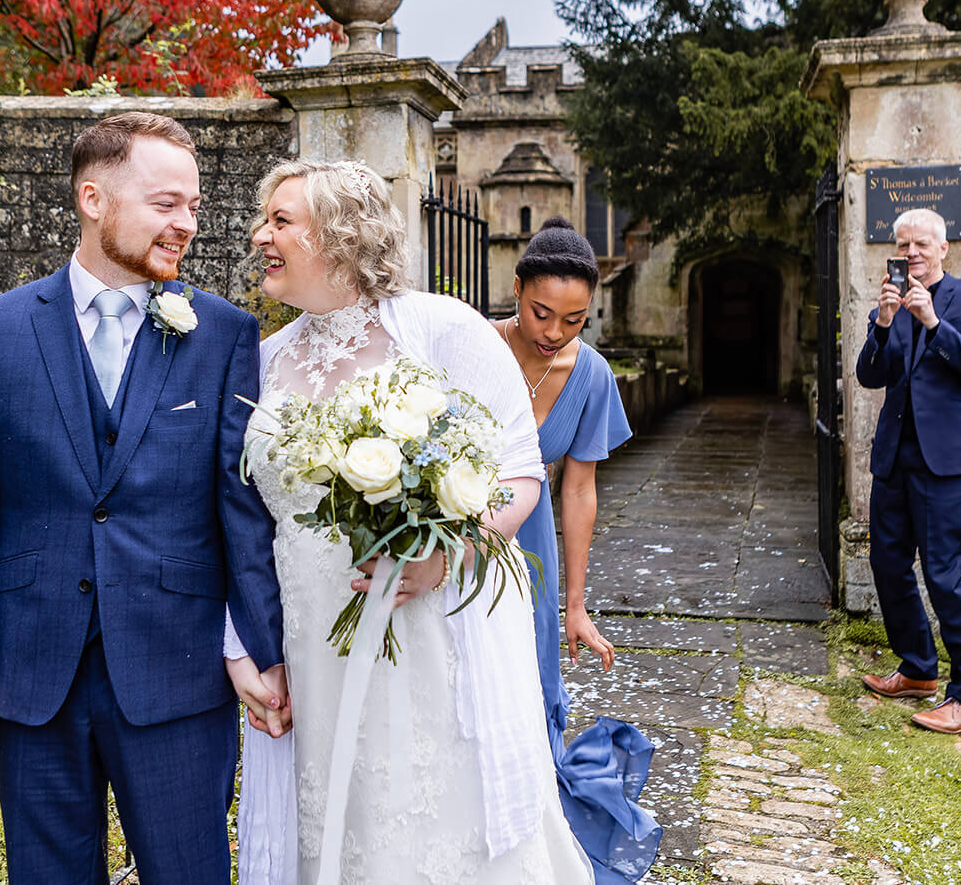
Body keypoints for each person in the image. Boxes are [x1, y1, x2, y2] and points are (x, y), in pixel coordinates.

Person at [0, 112, 287, 883]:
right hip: (34, 679)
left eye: (192, 205)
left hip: (178, 672)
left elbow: (241, 509)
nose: (186, 223)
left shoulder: (224, 335)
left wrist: (260, 647)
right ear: (93, 198)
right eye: (166, 203)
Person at [230, 158, 593, 885]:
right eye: (262, 218)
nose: (259, 234)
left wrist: (449, 551)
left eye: (281, 220)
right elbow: (237, 518)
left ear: (339, 235)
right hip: (309, 644)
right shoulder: (261, 360)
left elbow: (520, 473)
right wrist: (243, 645)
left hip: (427, 635)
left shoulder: (441, 329)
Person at [493, 217, 660, 884]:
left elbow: (580, 489)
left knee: (531, 693)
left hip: (531, 551)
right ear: (516, 288)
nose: (554, 332)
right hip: (459, 534)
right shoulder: (474, 345)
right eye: (540, 312)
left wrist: (575, 604)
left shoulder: (590, 374)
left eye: (574, 319)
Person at [854, 206, 961, 736]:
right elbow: (870, 376)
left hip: (949, 462)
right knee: (888, 564)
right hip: (896, 456)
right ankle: (917, 669)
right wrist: (883, 323)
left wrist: (933, 323)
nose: (911, 253)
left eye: (921, 245)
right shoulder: (891, 305)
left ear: (944, 248)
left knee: (943, 574)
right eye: (903, 245)